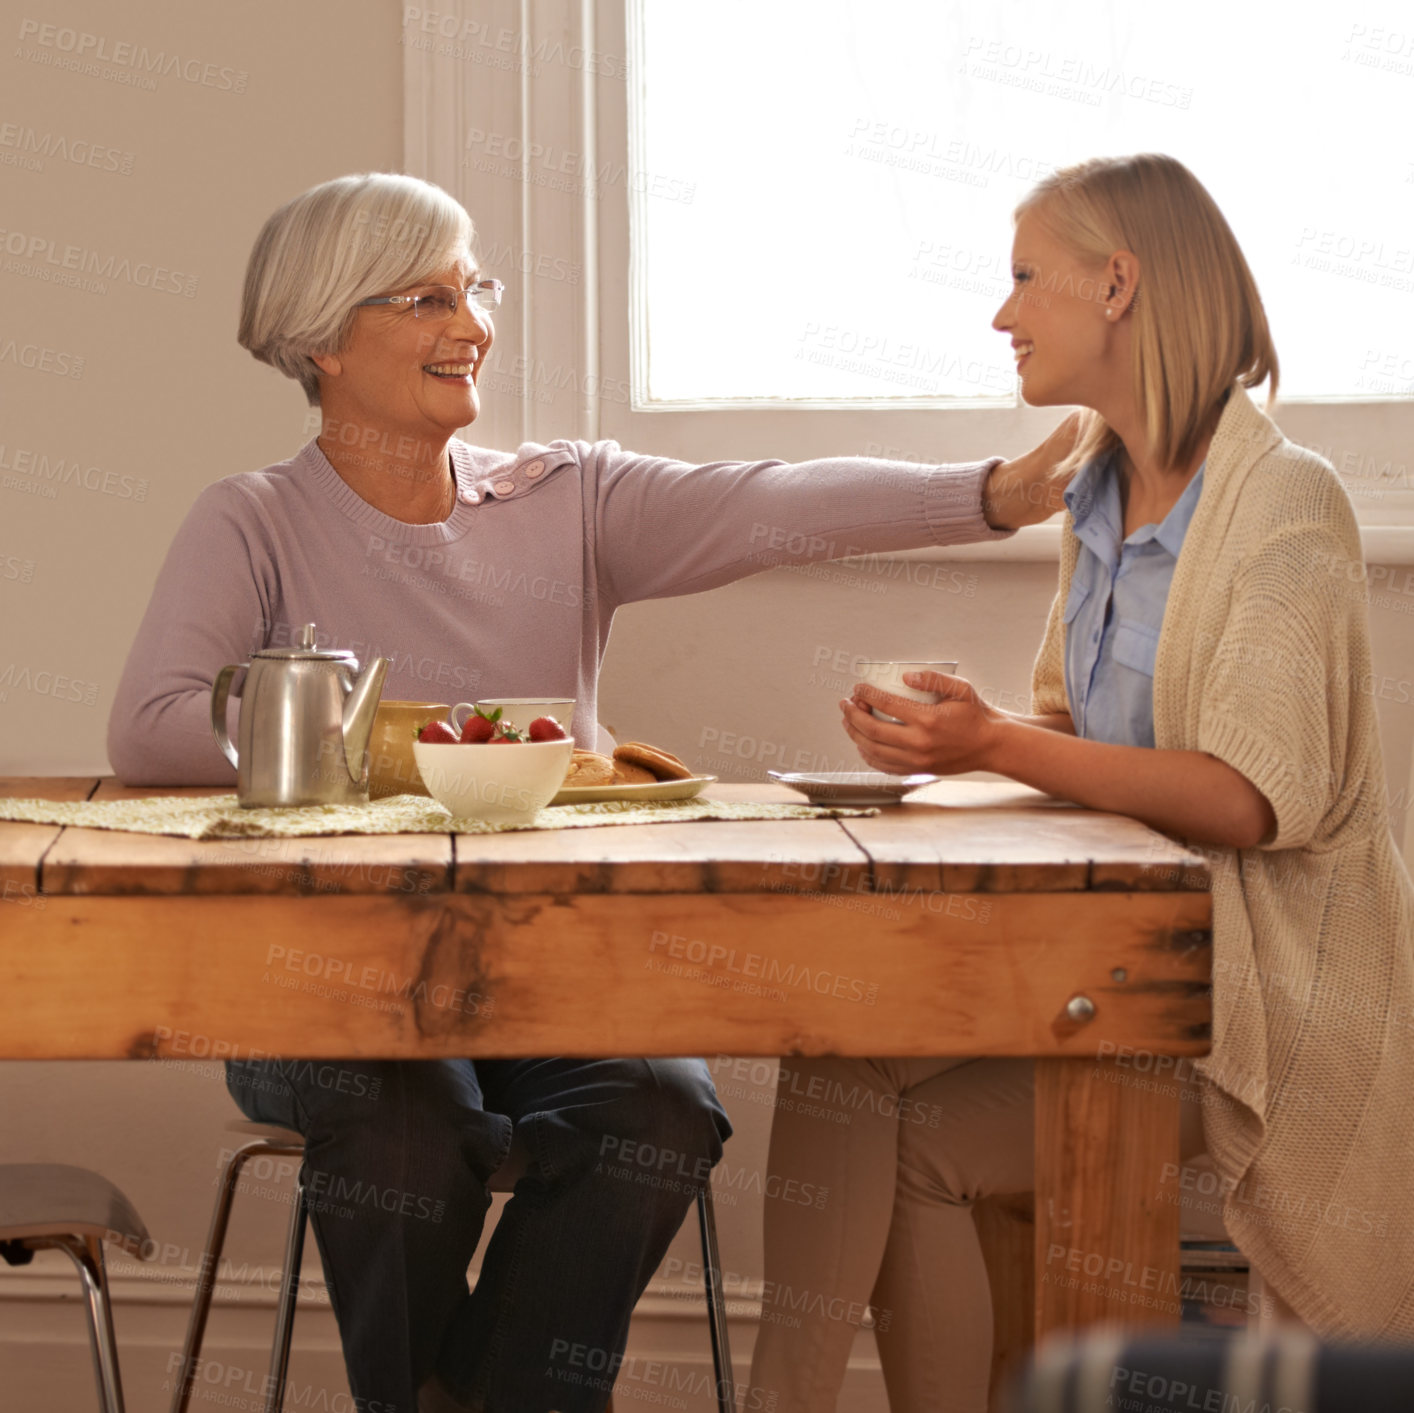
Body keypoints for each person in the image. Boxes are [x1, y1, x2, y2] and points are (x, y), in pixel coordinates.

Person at [106, 171, 1074, 1413]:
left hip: (551, 976)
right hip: (317, 984)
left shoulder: (567, 501)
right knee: (405, 1121)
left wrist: (992, 496)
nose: (472, 325)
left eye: (475, 289)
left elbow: (769, 499)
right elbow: (149, 729)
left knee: (658, 1106)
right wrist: (402, 747)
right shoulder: (251, 521)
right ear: (320, 340)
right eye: (426, 297)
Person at [751, 153, 1414, 1412]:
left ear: (1118, 285)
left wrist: (991, 742)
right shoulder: (1095, 487)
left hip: (1253, 1003)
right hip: (1113, 955)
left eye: (1021, 280)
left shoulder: (1285, 505)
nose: (1000, 316)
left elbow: (1246, 800)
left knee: (920, 1158)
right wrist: (931, 757)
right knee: (832, 1053)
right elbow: (1078, 744)